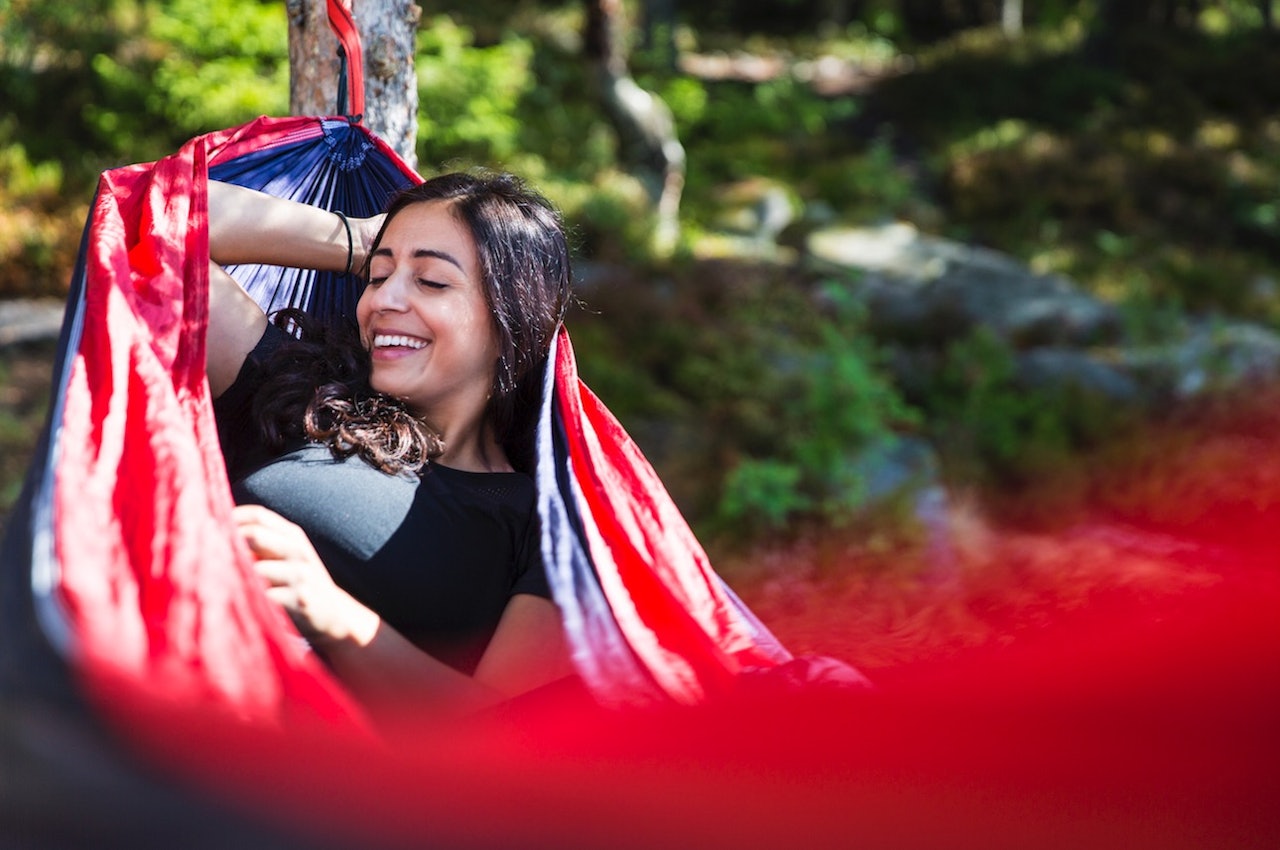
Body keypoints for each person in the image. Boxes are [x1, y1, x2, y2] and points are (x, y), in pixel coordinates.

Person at [205, 172, 576, 720]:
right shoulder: (299, 393)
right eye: (379, 278)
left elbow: (507, 737)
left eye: (431, 281)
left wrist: (335, 615)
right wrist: (357, 242)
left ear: (511, 318)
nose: (382, 300)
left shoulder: (547, 523)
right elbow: (155, 223)